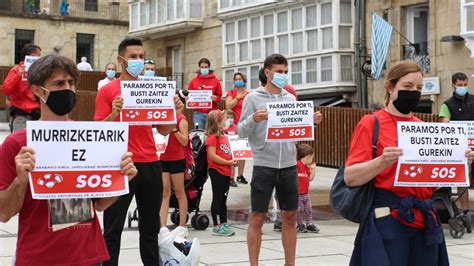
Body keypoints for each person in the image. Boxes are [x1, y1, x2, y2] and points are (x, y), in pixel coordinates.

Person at [0, 54, 138, 265]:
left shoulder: (91, 138)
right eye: (59, 83)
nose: (68, 88)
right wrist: (20, 180)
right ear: (38, 90)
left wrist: (120, 180)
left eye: (71, 82)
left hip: (89, 256)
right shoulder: (16, 144)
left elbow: (100, 205)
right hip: (38, 258)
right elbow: (3, 213)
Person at [344, 60, 467, 266]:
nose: (414, 92)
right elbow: (350, 177)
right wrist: (382, 161)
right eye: (407, 87)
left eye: (419, 88)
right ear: (390, 87)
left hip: (425, 223)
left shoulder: (423, 127)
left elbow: (430, 184)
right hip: (389, 221)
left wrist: (460, 163)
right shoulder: (371, 123)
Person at [94, 37, 184, 265]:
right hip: (120, 164)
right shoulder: (107, 91)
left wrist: (172, 112)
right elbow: (97, 132)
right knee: (113, 228)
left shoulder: (150, 88)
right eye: (133, 57)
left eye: (141, 57)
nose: (138, 61)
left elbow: (164, 130)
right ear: (120, 60)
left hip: (151, 162)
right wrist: (113, 114)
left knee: (151, 227)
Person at [238, 54, 322, 265]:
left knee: (290, 216)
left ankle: (289, 263)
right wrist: (253, 118)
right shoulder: (252, 98)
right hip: (264, 164)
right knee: (258, 216)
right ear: (267, 72)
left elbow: (295, 131)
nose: (283, 76)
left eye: (286, 72)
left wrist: (311, 123)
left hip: (288, 165)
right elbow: (240, 132)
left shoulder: (290, 98)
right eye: (279, 72)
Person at [439, 72, 472, 213]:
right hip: (461, 149)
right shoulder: (447, 105)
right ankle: (465, 212)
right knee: (463, 180)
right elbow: (444, 127)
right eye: (459, 85)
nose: (462, 87)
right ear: (453, 85)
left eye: (465, 85)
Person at [206, 110, 237, 236]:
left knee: (224, 199)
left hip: (225, 171)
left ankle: (223, 223)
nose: (226, 121)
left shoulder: (223, 136)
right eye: (224, 119)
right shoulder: (213, 137)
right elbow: (212, 156)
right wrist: (228, 162)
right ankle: (217, 225)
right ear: (218, 122)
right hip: (217, 171)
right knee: (217, 198)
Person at [160, 104, 189, 231]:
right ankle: (162, 226)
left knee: (179, 192)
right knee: (165, 192)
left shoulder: (181, 119)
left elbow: (185, 141)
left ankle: (183, 226)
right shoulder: (162, 118)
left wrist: (174, 130)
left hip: (177, 159)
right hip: (163, 158)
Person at [2, 43, 41, 133]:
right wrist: (18, 76)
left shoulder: (41, 72)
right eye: (33, 56)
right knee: (19, 143)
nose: (37, 59)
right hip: (20, 115)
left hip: (37, 115)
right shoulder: (16, 70)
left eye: (39, 56)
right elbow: (6, 90)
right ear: (26, 57)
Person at [225, 72, 249, 186]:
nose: (238, 80)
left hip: (244, 124)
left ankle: (240, 175)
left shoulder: (248, 94)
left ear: (244, 81)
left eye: (240, 79)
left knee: (242, 151)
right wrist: (238, 97)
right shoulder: (231, 92)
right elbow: (228, 106)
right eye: (236, 79)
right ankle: (231, 177)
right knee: (232, 151)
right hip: (233, 125)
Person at [188, 58, 222, 129]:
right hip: (198, 113)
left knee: (211, 134)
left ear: (209, 68)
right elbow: (189, 95)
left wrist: (216, 98)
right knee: (199, 134)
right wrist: (188, 98)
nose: (204, 69)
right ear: (199, 68)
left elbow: (219, 97)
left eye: (206, 67)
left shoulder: (216, 81)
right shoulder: (193, 81)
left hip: (212, 113)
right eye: (202, 67)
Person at [295, 144, 319, 233]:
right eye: (312, 157)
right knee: (300, 209)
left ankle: (309, 223)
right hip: (297, 194)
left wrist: (313, 169)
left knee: (309, 209)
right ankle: (299, 223)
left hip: (305, 193)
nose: (312, 159)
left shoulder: (306, 167)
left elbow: (310, 178)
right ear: (307, 157)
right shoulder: (297, 164)